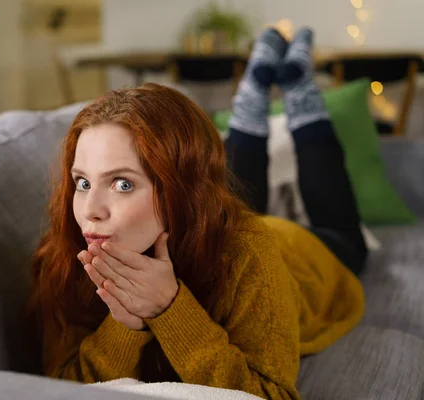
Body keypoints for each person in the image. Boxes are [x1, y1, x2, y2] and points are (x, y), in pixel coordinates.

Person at [25, 26, 367, 400]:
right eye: (83, 183)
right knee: (226, 187)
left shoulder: (249, 253)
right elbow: (56, 388)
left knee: (343, 232)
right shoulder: (60, 257)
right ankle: (251, 103)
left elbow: (272, 395)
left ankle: (300, 92)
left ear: (178, 191)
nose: (90, 211)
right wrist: (125, 324)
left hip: (301, 255)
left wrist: (170, 309)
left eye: (122, 184)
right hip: (212, 220)